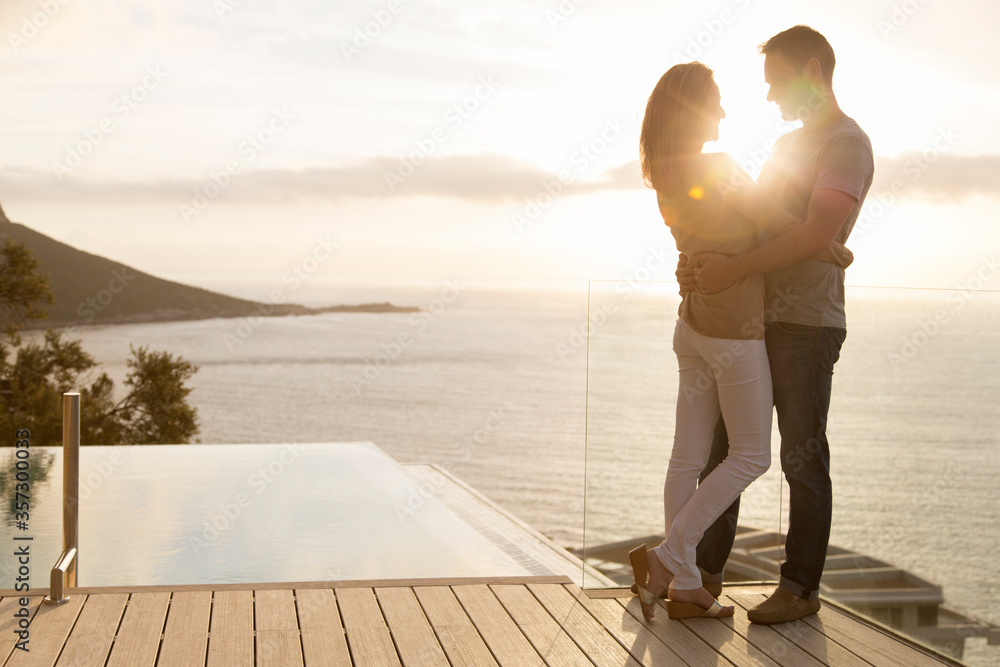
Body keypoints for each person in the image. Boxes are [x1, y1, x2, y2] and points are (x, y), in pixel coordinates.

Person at [629, 60, 854, 621]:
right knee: (750, 455)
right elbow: (775, 221)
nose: (726, 111)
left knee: (687, 456)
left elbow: (703, 242)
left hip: (692, 324)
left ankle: (685, 583)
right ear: (693, 109)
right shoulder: (721, 167)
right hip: (733, 327)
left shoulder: (662, 171)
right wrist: (832, 249)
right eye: (717, 101)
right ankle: (671, 557)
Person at [687, 25, 874, 625]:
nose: (769, 98)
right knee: (726, 451)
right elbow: (753, 222)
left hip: (806, 324)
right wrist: (703, 260)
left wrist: (734, 266)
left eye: (775, 83)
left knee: (801, 455)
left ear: (812, 70)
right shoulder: (783, 148)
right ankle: (705, 577)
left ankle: (799, 589)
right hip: (753, 320)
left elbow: (816, 233)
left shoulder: (847, 143)